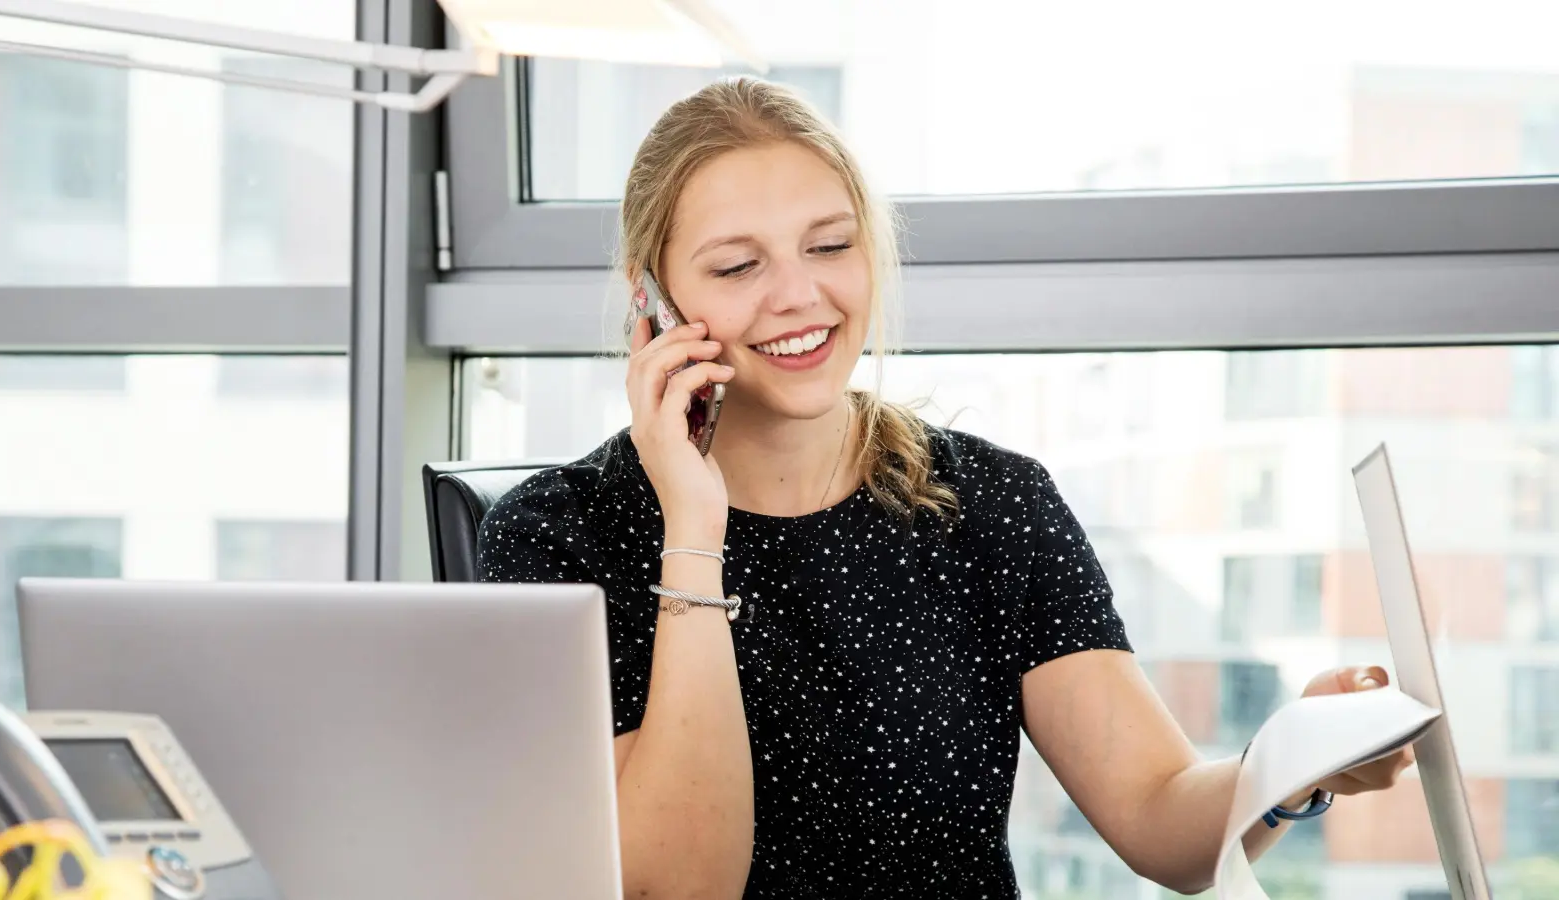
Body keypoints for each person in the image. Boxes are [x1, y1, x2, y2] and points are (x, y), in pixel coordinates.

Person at [476, 77, 1415, 899]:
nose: (799, 294)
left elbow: (1164, 824)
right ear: (652, 298)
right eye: (737, 265)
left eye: (829, 246)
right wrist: (693, 522)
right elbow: (676, 887)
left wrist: (1291, 763)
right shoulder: (559, 536)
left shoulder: (993, 503)